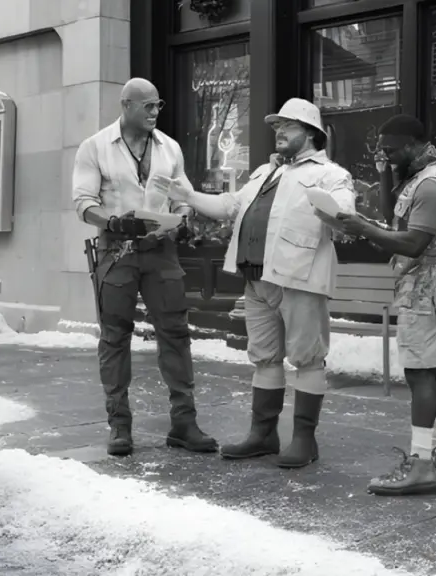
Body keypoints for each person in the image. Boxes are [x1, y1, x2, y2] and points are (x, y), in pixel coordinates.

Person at [164, 98, 356, 469]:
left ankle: (304, 440)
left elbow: (344, 214)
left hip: (300, 279)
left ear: (311, 133)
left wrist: (332, 208)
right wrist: (186, 195)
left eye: (288, 126)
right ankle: (263, 435)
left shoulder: (331, 174)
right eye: (276, 127)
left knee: (307, 359)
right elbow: (229, 207)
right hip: (257, 280)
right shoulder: (264, 174)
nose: (279, 132)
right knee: (264, 359)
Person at [322, 114, 436, 496]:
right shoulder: (424, 175)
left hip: (428, 286)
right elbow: (395, 216)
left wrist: (360, 227)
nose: (384, 158)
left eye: (390, 151)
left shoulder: (434, 185)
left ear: (414, 145)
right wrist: (387, 170)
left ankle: (421, 464)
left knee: (421, 374)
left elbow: (412, 243)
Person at [72, 77, 217, 457]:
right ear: (127, 105)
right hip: (116, 251)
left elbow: (182, 195)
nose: (155, 112)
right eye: (148, 106)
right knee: (114, 335)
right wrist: (114, 223)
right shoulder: (95, 147)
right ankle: (119, 425)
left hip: (161, 251)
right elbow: (82, 201)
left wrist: (184, 218)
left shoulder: (169, 147)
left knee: (175, 332)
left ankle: (184, 423)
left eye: (158, 105)